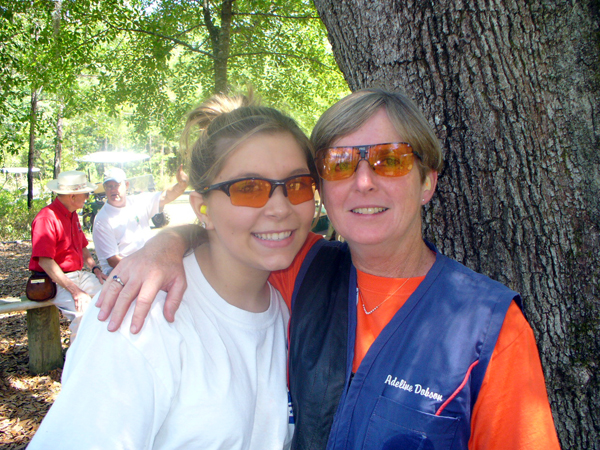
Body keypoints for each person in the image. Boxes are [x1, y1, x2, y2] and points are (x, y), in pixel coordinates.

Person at [97, 89, 560, 450]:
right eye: (340, 164)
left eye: (391, 159)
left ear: (427, 182)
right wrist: (166, 244)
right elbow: (238, 230)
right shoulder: (300, 269)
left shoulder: (487, 326)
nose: (364, 181)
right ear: (322, 189)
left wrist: (166, 243)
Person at [27, 93, 318, 449]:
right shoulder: (139, 319)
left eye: (298, 184)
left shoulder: (292, 307)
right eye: (249, 188)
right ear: (202, 208)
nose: (280, 207)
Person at [29, 170, 107, 336]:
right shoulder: (46, 218)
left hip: (78, 275)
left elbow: (83, 247)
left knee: (111, 293)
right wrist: (75, 291)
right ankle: (78, 351)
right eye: (86, 194)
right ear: (72, 197)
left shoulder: (72, 215)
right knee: (83, 315)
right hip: (55, 280)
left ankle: (105, 346)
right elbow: (45, 261)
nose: (87, 198)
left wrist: (96, 269)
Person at [92, 165, 188, 275]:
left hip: (149, 264)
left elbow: (165, 196)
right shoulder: (102, 219)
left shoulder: (138, 202)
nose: (113, 190)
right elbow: (113, 260)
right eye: (109, 186)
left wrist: (182, 185)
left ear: (126, 185)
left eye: (116, 185)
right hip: (122, 274)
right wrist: (146, 268)